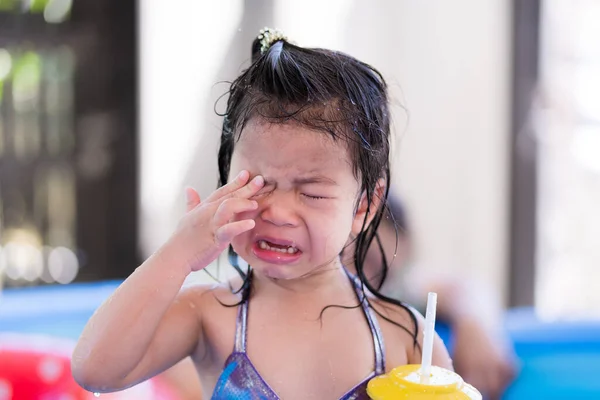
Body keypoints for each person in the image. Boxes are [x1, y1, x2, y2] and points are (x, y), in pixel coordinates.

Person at [71, 28, 453, 399]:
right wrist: (178, 254)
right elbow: (95, 371)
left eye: (311, 193)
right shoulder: (210, 314)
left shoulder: (406, 338)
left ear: (365, 205)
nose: (279, 212)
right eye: (258, 183)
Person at [353, 195, 517, 400]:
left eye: (375, 266)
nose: (361, 280)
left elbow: (466, 288)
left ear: (405, 251)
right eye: (349, 259)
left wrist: (473, 325)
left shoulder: (400, 292)